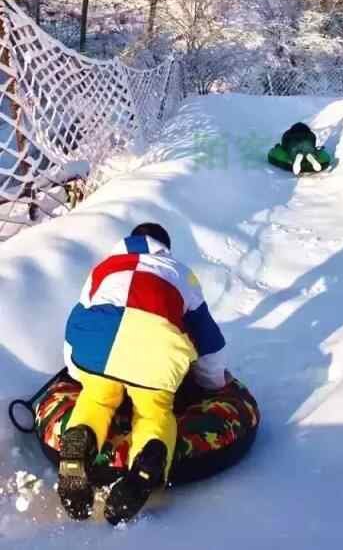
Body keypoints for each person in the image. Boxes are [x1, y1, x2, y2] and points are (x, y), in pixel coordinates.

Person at [58, 222, 227, 525]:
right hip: (157, 351)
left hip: (97, 344)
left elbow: (78, 316)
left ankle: (77, 445)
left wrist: (77, 371)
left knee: (96, 399)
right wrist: (213, 384)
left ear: (130, 241)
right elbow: (208, 339)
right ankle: (146, 465)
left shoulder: (104, 267)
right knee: (153, 412)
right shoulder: (180, 273)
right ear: (166, 247)